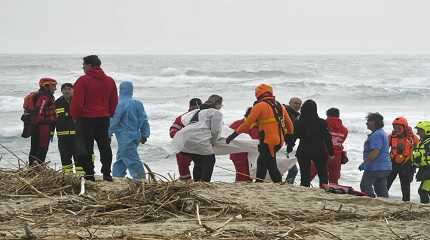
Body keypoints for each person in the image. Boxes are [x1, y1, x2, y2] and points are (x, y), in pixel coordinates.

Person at [226, 84, 294, 183]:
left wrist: (233, 135)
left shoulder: (260, 106)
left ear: (258, 94)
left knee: (271, 166)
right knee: (261, 161)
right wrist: (290, 142)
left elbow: (247, 124)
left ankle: (279, 185)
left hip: (268, 140)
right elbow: (290, 126)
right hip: (279, 140)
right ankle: (259, 183)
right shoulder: (280, 105)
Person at [71, 55, 118, 181]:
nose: (83, 68)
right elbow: (114, 101)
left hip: (86, 119)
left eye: (84, 65)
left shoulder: (83, 80)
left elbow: (77, 103)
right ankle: (107, 174)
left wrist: (75, 117)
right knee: (104, 146)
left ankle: (89, 174)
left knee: (86, 147)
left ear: (90, 65)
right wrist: (109, 114)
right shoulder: (110, 81)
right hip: (103, 118)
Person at [173, 95, 224, 182]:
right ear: (218, 104)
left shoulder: (197, 111)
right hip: (199, 141)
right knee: (210, 160)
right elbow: (215, 131)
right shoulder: (216, 113)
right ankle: (204, 183)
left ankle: (196, 182)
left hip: (185, 141)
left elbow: (186, 122)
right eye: (221, 105)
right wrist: (213, 142)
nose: (221, 107)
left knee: (198, 162)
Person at [109, 81, 150, 180]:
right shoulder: (138, 103)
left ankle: (140, 178)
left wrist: (108, 133)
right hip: (136, 135)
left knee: (131, 158)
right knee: (122, 157)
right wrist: (145, 134)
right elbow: (144, 120)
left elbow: (115, 120)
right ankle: (117, 177)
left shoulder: (119, 103)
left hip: (124, 136)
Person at [293, 100, 334, 187]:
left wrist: (289, 146)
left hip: (304, 150)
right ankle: (324, 190)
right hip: (319, 151)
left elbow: (294, 137)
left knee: (305, 176)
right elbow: (327, 138)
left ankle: (305, 190)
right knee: (323, 175)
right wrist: (331, 153)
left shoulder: (299, 122)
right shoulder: (322, 122)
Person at [309, 108, 348, 184]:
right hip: (336, 156)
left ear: (327, 115)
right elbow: (341, 142)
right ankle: (330, 191)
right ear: (338, 115)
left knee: (310, 175)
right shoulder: (345, 129)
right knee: (334, 179)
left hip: (321, 153)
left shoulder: (322, 124)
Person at [25, 78, 57, 165]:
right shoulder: (44, 96)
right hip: (43, 126)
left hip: (37, 126)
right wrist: (38, 124)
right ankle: (38, 168)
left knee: (34, 147)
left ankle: (32, 168)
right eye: (53, 86)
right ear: (46, 86)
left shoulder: (41, 95)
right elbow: (39, 111)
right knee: (43, 147)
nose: (55, 88)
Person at [359, 113, 392, 198]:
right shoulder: (382, 133)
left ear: (374, 122)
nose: (367, 123)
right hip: (385, 167)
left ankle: (370, 201)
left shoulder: (377, 134)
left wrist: (365, 163)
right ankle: (384, 203)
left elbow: (375, 151)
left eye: (368, 121)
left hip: (375, 167)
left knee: (365, 185)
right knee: (380, 189)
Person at [55, 83, 85, 176]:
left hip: (77, 135)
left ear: (73, 90)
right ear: (61, 91)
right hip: (62, 137)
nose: (66, 91)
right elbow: (53, 119)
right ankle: (68, 177)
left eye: (69, 89)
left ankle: (81, 177)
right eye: (64, 89)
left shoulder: (78, 101)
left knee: (79, 157)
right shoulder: (57, 102)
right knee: (65, 158)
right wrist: (51, 132)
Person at [169, 98, 202, 181]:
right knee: (183, 163)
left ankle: (199, 181)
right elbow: (172, 131)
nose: (196, 110)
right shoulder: (182, 118)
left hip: (200, 144)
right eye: (194, 108)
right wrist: (181, 137)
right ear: (190, 107)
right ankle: (186, 180)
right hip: (186, 145)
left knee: (201, 164)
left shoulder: (205, 117)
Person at [387, 117, 419, 202]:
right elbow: (384, 149)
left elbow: (419, 152)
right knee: (386, 184)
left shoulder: (413, 138)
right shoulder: (391, 136)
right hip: (392, 163)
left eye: (399, 128)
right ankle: (382, 200)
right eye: (394, 127)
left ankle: (406, 203)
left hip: (407, 165)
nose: (396, 129)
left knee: (405, 187)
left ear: (404, 127)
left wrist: (414, 168)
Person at [229, 107, 259, 182]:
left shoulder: (256, 125)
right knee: (243, 176)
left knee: (248, 175)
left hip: (251, 154)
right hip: (239, 154)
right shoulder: (237, 124)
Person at [284, 97, 302, 184]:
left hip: (289, 145)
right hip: (281, 144)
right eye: (295, 103)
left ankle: (287, 185)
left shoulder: (298, 116)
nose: (297, 105)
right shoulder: (284, 111)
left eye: (299, 104)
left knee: (293, 170)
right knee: (292, 169)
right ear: (290, 103)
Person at [412, 121, 430, 204]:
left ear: (427, 131)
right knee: (425, 190)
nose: (418, 133)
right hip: (425, 169)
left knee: (423, 191)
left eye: (420, 130)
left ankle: (425, 208)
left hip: (428, 170)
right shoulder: (422, 142)